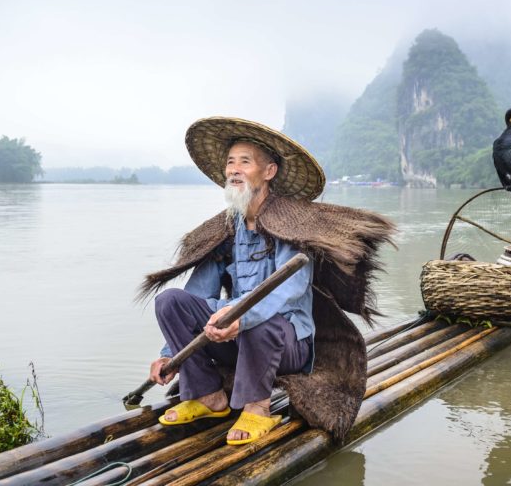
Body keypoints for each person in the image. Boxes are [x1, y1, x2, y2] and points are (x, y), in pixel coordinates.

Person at [139, 117, 395, 445]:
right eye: (230, 162)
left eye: (244, 162)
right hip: (233, 340)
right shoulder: (226, 228)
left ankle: (257, 407)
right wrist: (170, 354)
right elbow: (198, 294)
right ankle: (208, 396)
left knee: (263, 323)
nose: (234, 169)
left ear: (269, 171)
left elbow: (291, 290)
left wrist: (242, 318)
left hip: (285, 344)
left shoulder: (291, 224)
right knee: (170, 302)